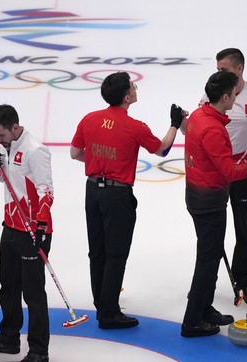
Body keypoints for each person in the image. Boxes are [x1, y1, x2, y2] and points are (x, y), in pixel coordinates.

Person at [70, 71, 184, 329]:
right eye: (132, 86)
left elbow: (75, 152)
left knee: (97, 251)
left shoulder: (89, 119)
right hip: (117, 194)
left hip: (93, 191)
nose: (135, 88)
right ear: (126, 97)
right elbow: (162, 149)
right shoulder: (134, 127)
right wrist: (175, 124)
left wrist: (99, 162)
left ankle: (102, 303)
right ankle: (109, 312)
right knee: (116, 253)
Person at [182, 70, 247, 337]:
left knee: (211, 256)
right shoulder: (213, 128)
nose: (236, 99)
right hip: (209, 199)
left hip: (200, 194)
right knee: (207, 260)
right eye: (234, 96)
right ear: (225, 97)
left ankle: (205, 308)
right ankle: (192, 320)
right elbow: (230, 171)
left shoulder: (200, 115)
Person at [0, 104, 53, 362]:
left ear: (15, 127)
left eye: (0, 135)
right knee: (8, 285)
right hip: (11, 224)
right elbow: (9, 179)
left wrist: (42, 226)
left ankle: (38, 350)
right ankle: (10, 336)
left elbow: (46, 190)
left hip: (32, 229)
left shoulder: (35, 151)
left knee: (33, 292)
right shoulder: (8, 147)